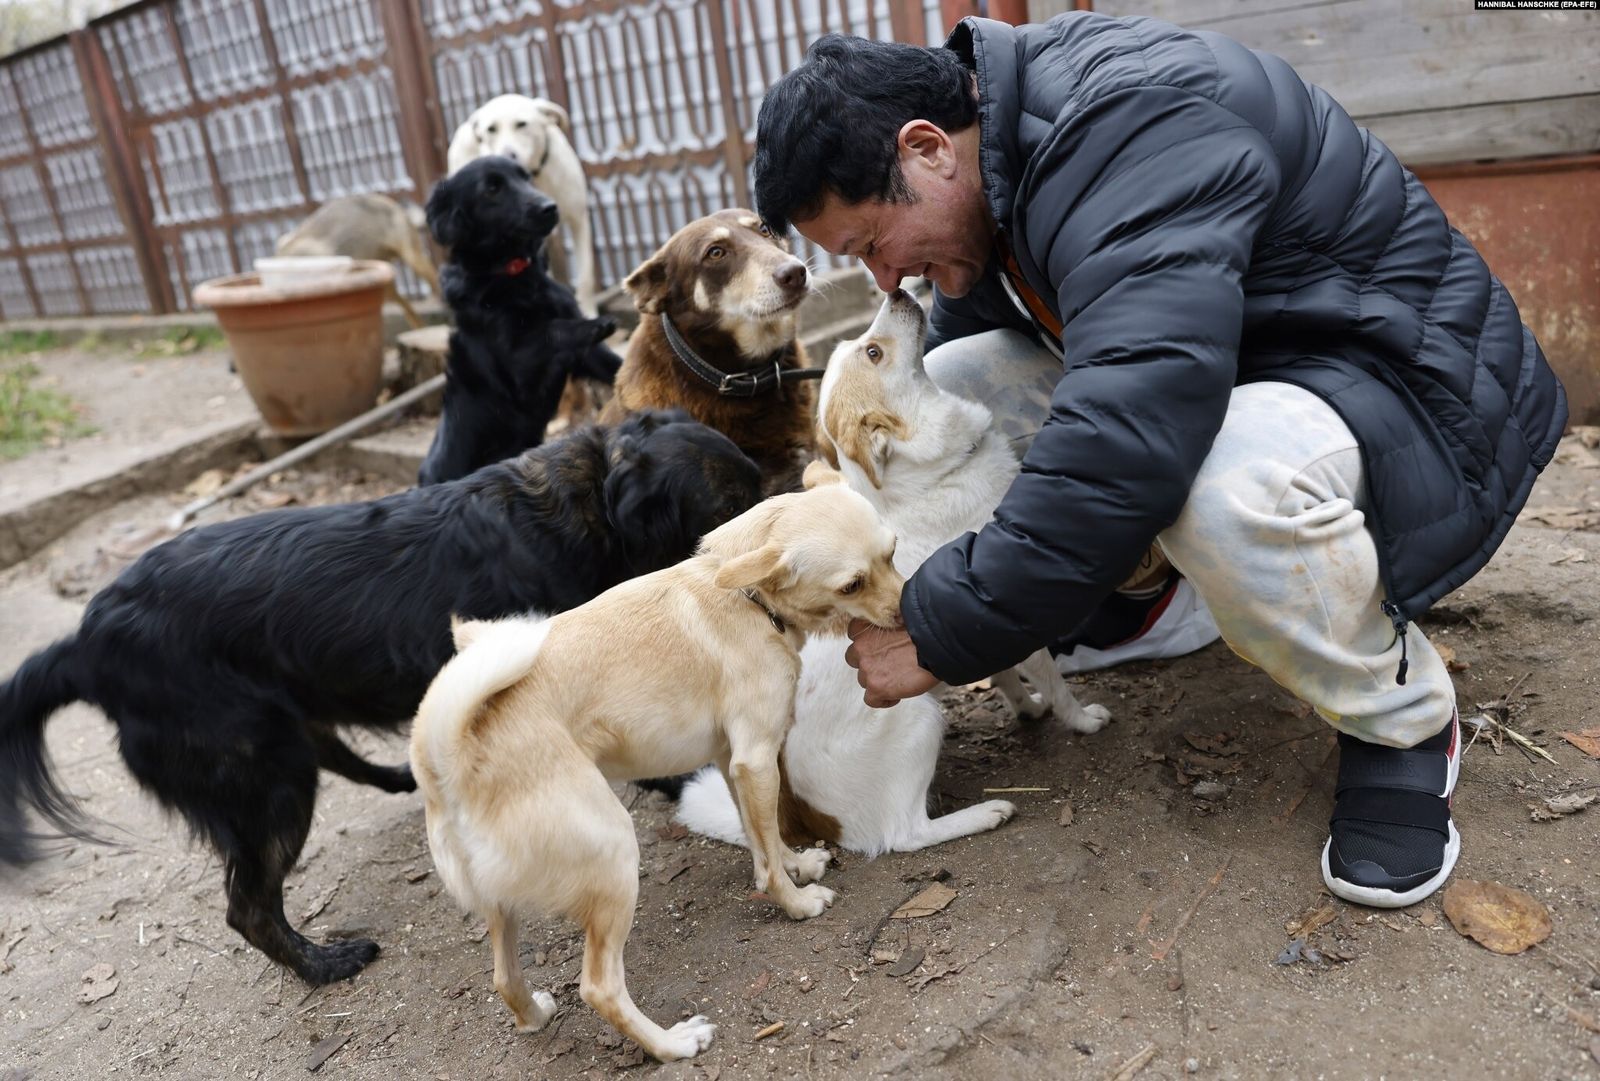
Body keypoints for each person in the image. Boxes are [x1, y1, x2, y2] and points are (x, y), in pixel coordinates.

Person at [750, 15, 1567, 908]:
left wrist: (947, 626)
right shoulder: (994, 155)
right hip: (1241, 371)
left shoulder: (1125, 127)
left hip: (1398, 382)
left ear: (925, 149)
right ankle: (1159, 604)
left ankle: (1402, 717)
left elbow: (1126, 433)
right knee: (949, 384)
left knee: (1222, 489)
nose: (883, 280)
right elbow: (1023, 384)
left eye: (871, 244)